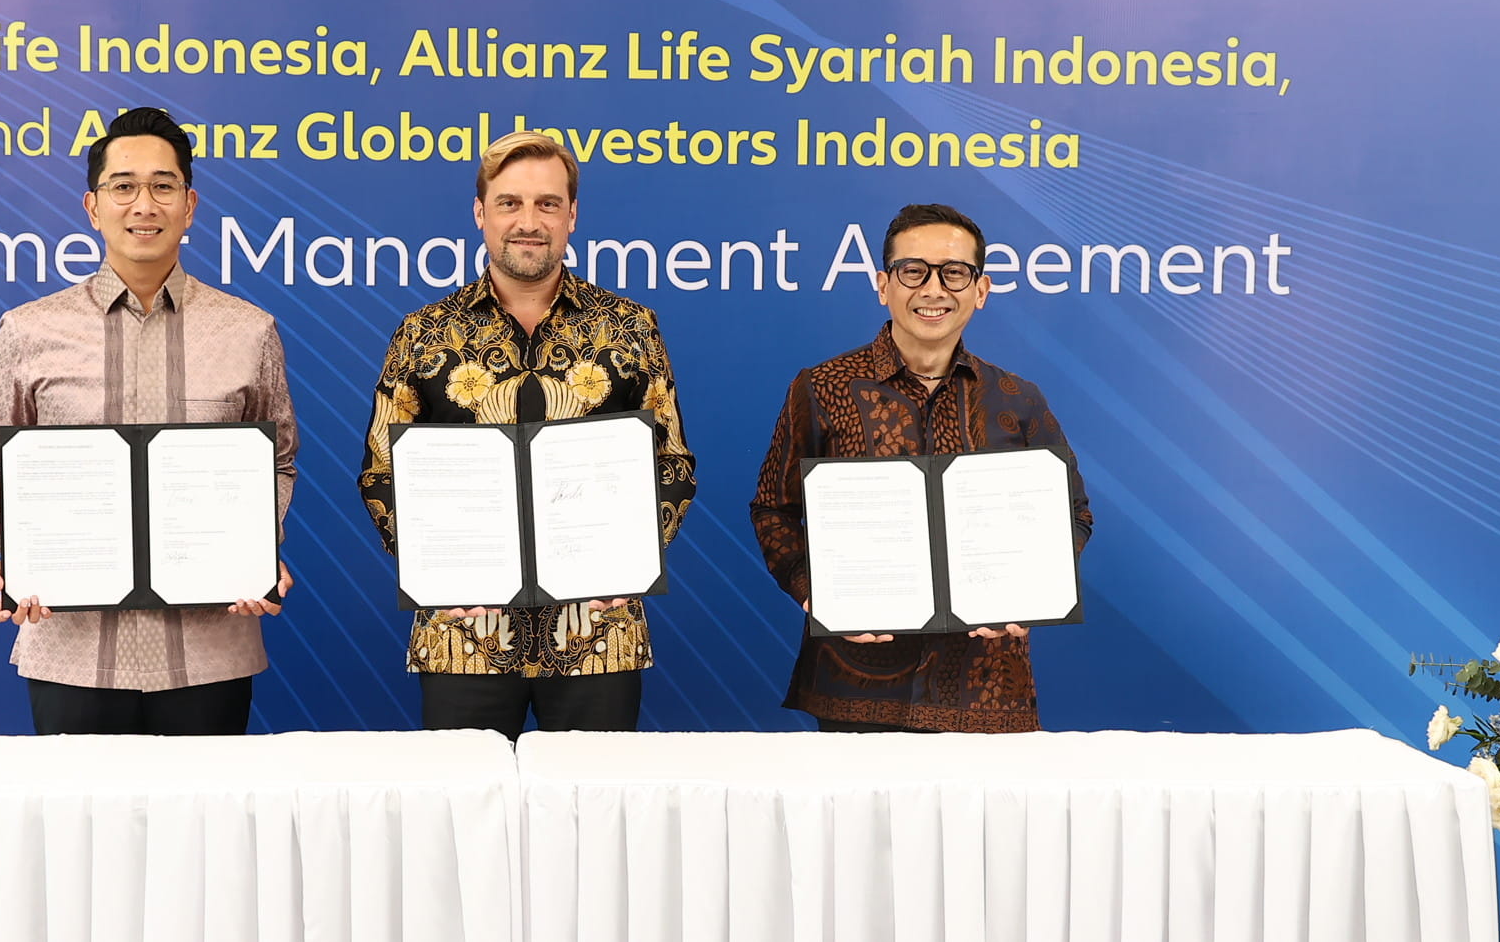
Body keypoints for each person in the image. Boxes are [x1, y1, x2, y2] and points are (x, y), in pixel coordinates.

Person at [357, 129, 696, 737]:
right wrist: (433, 569)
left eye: (547, 204)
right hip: (464, 634)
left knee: (597, 821)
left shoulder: (630, 327)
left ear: (572, 215)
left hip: (598, 631)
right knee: (466, 821)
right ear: (480, 213)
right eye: (510, 203)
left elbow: (671, 465)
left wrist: (634, 564)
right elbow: (383, 473)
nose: (528, 222)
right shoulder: (424, 334)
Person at [0, 107, 296, 735]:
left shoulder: (249, 331)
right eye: (123, 187)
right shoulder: (29, 330)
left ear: (189, 205)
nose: (143, 204)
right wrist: (19, 546)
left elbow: (277, 459)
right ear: (93, 208)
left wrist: (258, 545)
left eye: (162, 186)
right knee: (80, 833)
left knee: (205, 831)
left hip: (209, 651)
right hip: (71, 649)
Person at [750, 201, 1091, 732]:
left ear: (980, 290)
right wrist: (812, 589)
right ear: (884, 285)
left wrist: (1034, 591)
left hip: (988, 688)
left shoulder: (1017, 399)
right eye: (914, 271)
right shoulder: (820, 388)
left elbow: (1073, 513)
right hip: (855, 683)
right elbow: (774, 507)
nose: (934, 289)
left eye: (955, 272)